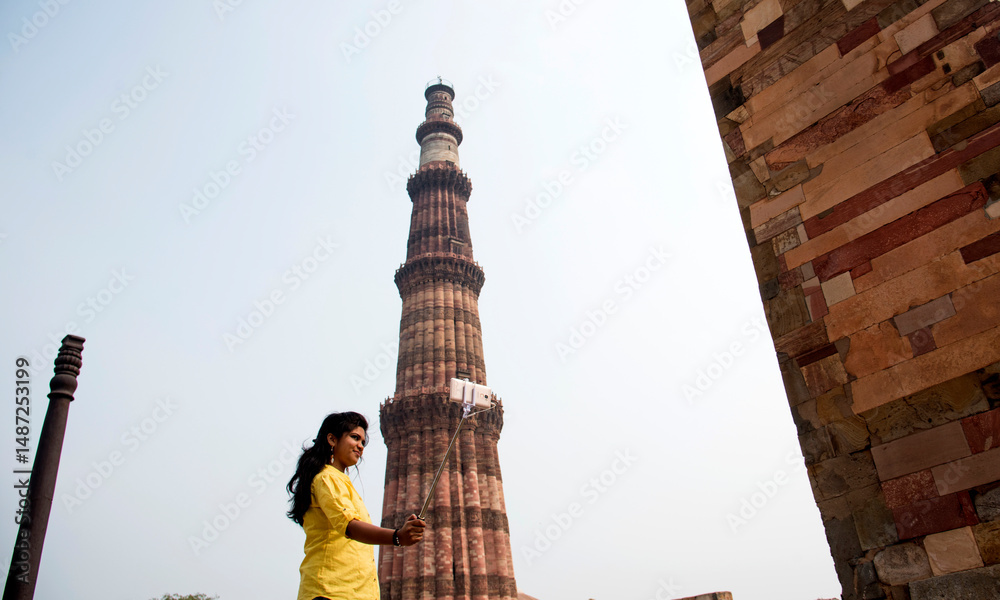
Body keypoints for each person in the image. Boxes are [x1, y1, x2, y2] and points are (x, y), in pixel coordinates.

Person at [287, 411, 425, 600]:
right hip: (330, 590)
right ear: (332, 439)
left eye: (362, 442)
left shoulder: (341, 482)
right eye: (354, 438)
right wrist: (397, 536)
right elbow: (350, 526)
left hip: (354, 592)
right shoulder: (327, 478)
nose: (360, 446)